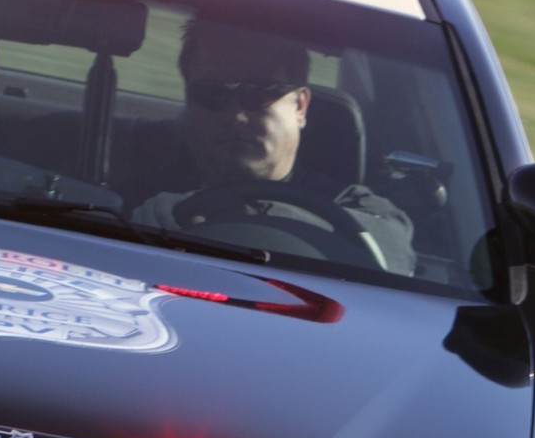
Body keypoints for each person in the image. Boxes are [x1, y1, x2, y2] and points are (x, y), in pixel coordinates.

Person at [131, 19, 416, 274]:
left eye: (257, 93)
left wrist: (236, 213)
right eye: (211, 94)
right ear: (189, 101)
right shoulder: (146, 201)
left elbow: (394, 253)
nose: (235, 116)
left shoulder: (353, 207)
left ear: (300, 106)